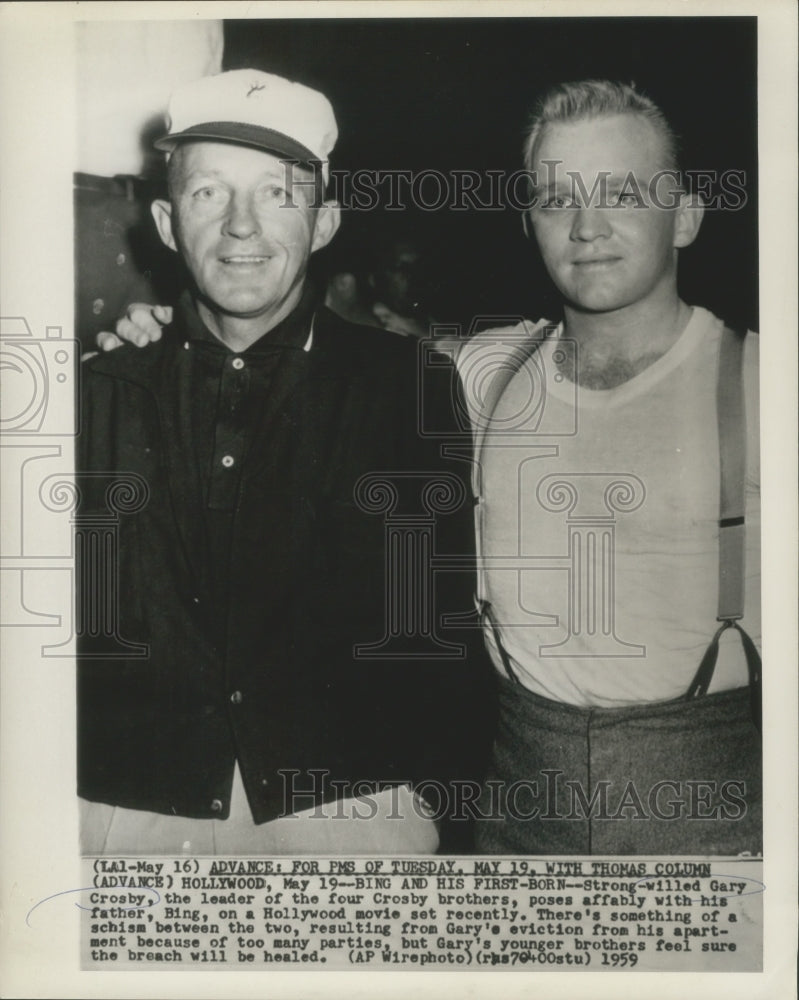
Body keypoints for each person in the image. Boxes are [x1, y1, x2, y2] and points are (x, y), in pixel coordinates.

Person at [77, 68, 492, 856]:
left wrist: (438, 813)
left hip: (349, 810)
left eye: (277, 193)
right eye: (208, 194)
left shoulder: (408, 388)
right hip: (129, 810)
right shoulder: (95, 394)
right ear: (166, 222)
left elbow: (435, 635)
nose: (241, 228)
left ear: (325, 221)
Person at [456, 80, 761, 854]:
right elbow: (319, 372)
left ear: (684, 217)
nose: (585, 228)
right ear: (530, 223)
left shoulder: (761, 382)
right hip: (516, 800)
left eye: (621, 192)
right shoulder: (486, 369)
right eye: (557, 198)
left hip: (713, 809)